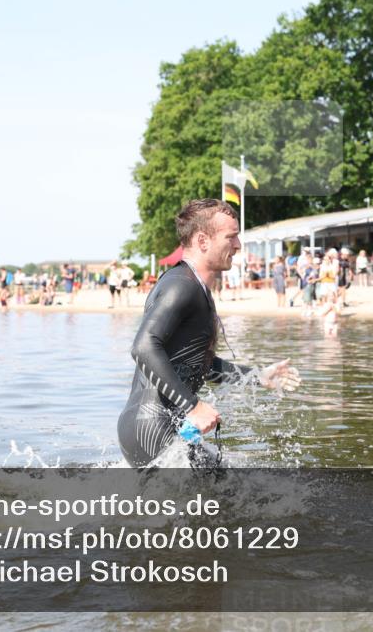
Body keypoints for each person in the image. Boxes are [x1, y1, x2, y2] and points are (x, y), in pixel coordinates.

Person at [117, 199, 301, 469]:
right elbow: (143, 348)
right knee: (210, 504)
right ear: (203, 241)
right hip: (150, 425)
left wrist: (257, 376)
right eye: (231, 237)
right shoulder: (182, 286)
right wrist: (192, 406)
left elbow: (196, 364)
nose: (237, 245)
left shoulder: (194, 287)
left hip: (162, 424)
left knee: (223, 494)